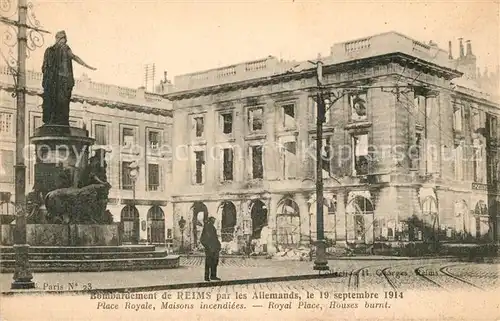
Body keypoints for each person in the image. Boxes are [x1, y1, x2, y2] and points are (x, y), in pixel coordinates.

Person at [42, 30, 96, 126]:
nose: (64, 42)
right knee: (61, 103)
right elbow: (74, 57)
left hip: (59, 81)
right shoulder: (56, 50)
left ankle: (57, 121)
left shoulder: (54, 50)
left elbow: (74, 57)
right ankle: (57, 121)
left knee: (60, 103)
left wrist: (87, 65)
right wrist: (87, 65)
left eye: (64, 40)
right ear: (58, 39)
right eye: (63, 39)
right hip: (61, 81)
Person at [200, 216, 221, 281]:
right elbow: (202, 239)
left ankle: (213, 276)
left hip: (215, 248)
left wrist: (218, 245)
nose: (214, 221)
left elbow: (215, 238)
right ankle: (206, 277)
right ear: (210, 220)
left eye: (214, 220)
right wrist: (207, 246)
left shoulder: (213, 227)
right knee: (208, 263)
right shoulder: (206, 227)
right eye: (213, 220)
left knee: (214, 262)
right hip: (209, 248)